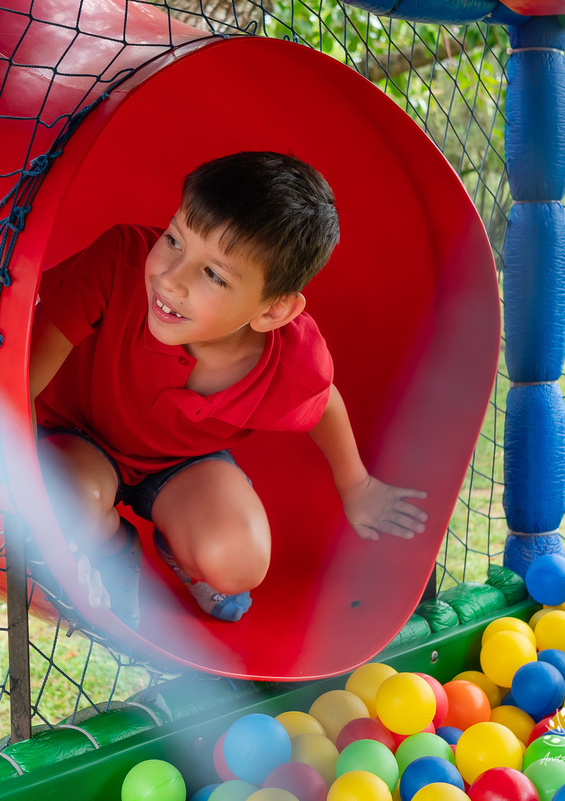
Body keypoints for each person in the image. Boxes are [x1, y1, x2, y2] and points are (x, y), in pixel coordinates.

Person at [28, 151, 427, 630]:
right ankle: (111, 547)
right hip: (77, 436)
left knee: (240, 562)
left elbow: (323, 406)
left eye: (213, 274)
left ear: (273, 311)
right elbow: (23, 374)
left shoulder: (289, 361)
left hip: (179, 464)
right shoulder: (119, 264)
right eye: (174, 239)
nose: (171, 279)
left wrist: (356, 485)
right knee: (56, 505)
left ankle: (179, 549)